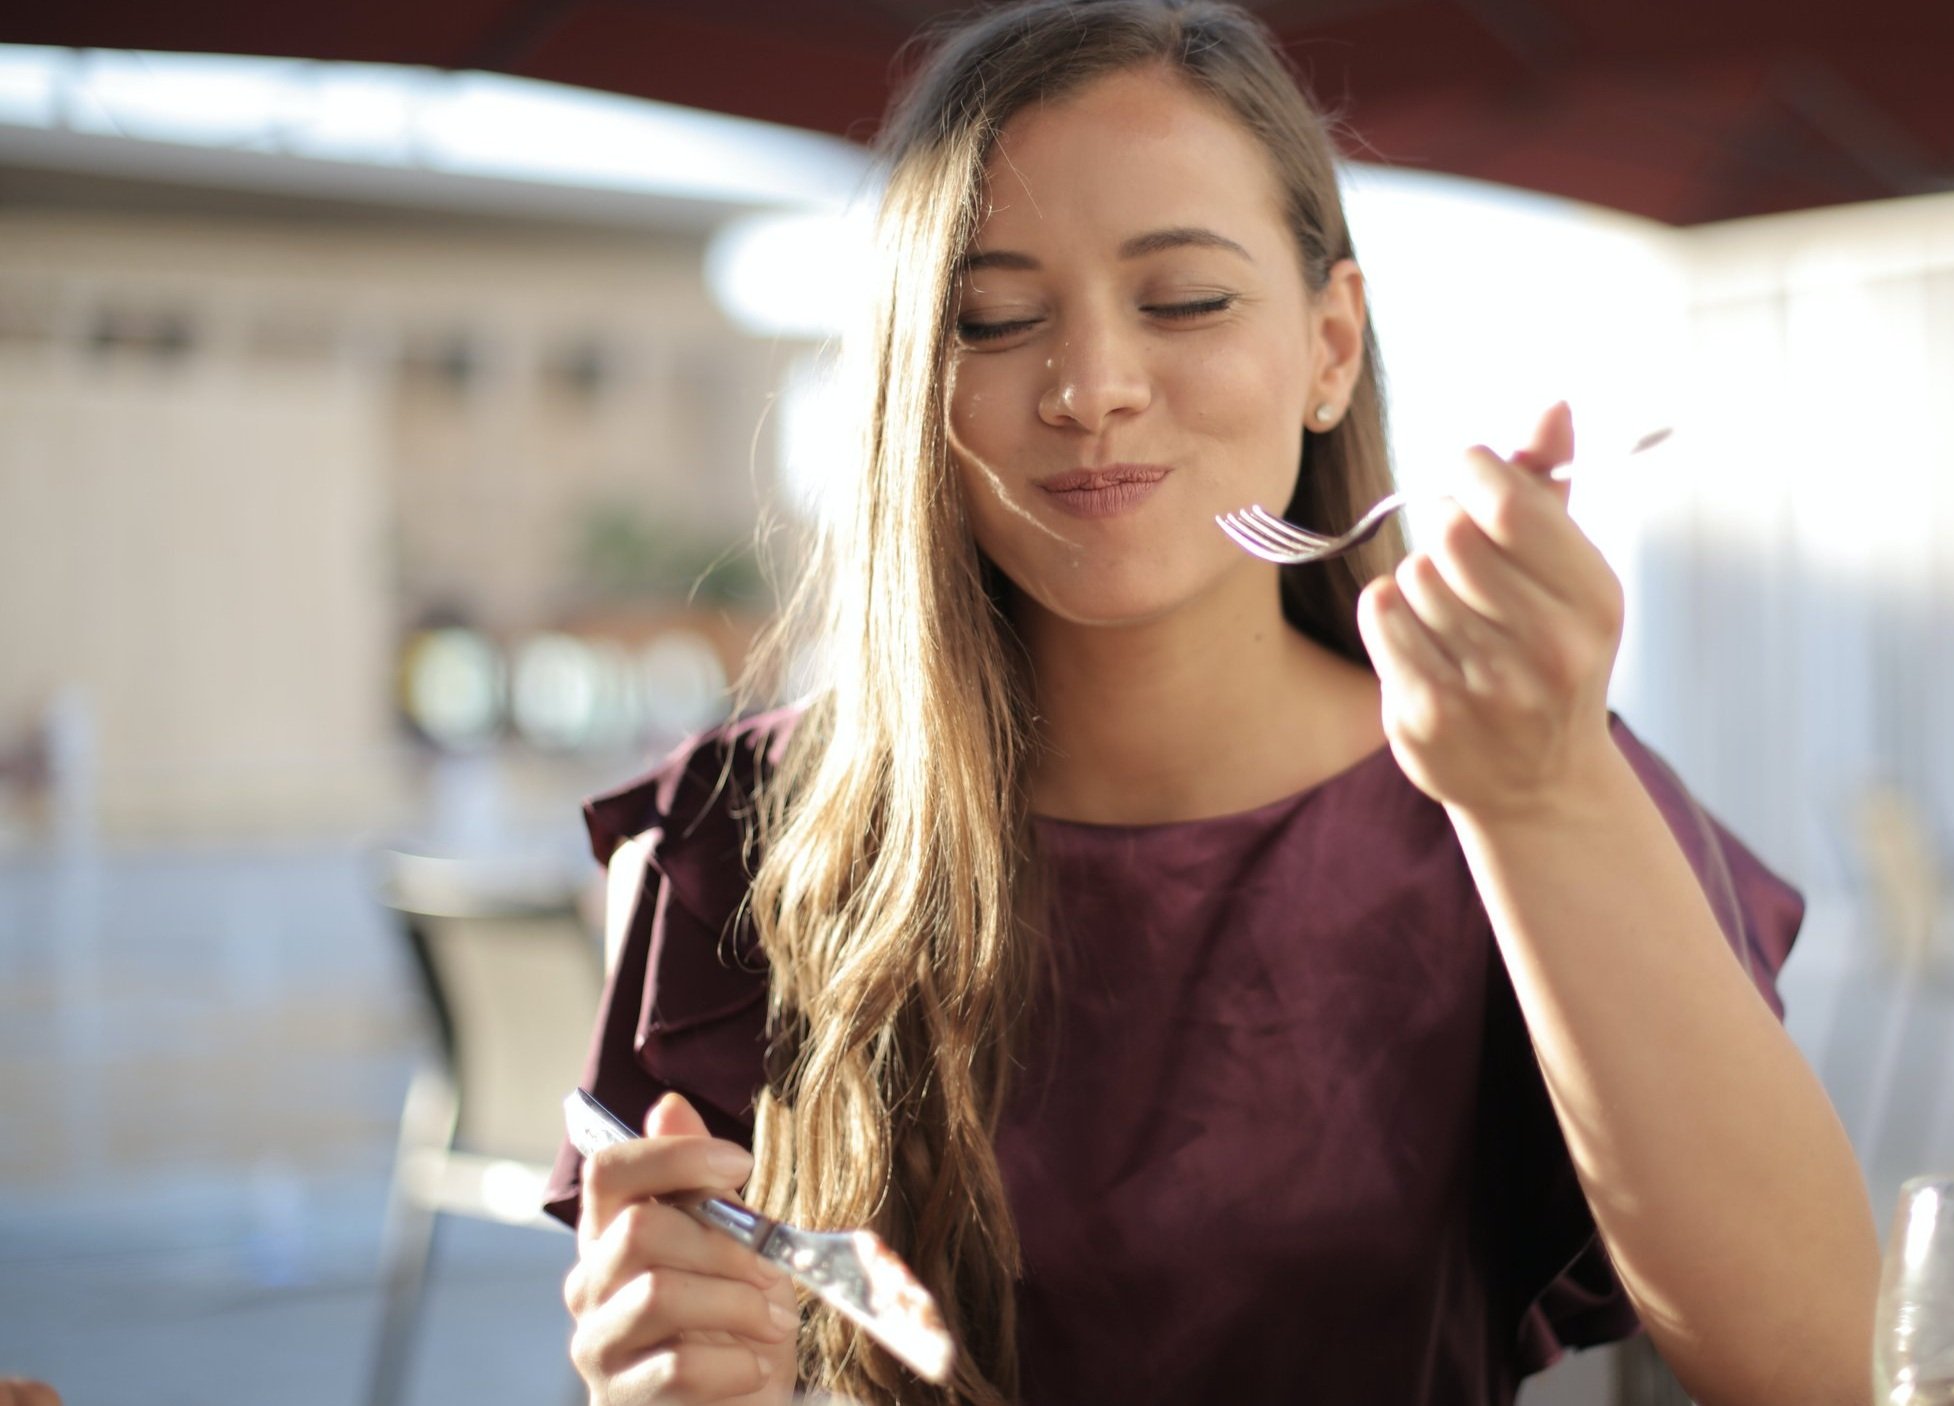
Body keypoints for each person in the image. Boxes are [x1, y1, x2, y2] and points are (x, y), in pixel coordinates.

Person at [544, 2, 1879, 1403]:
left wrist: (1542, 797)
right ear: (912, 386)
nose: (1094, 388)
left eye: (1184, 299)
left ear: (1331, 347)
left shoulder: (1516, 780)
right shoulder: (759, 834)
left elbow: (1823, 1363)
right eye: (994, 317)